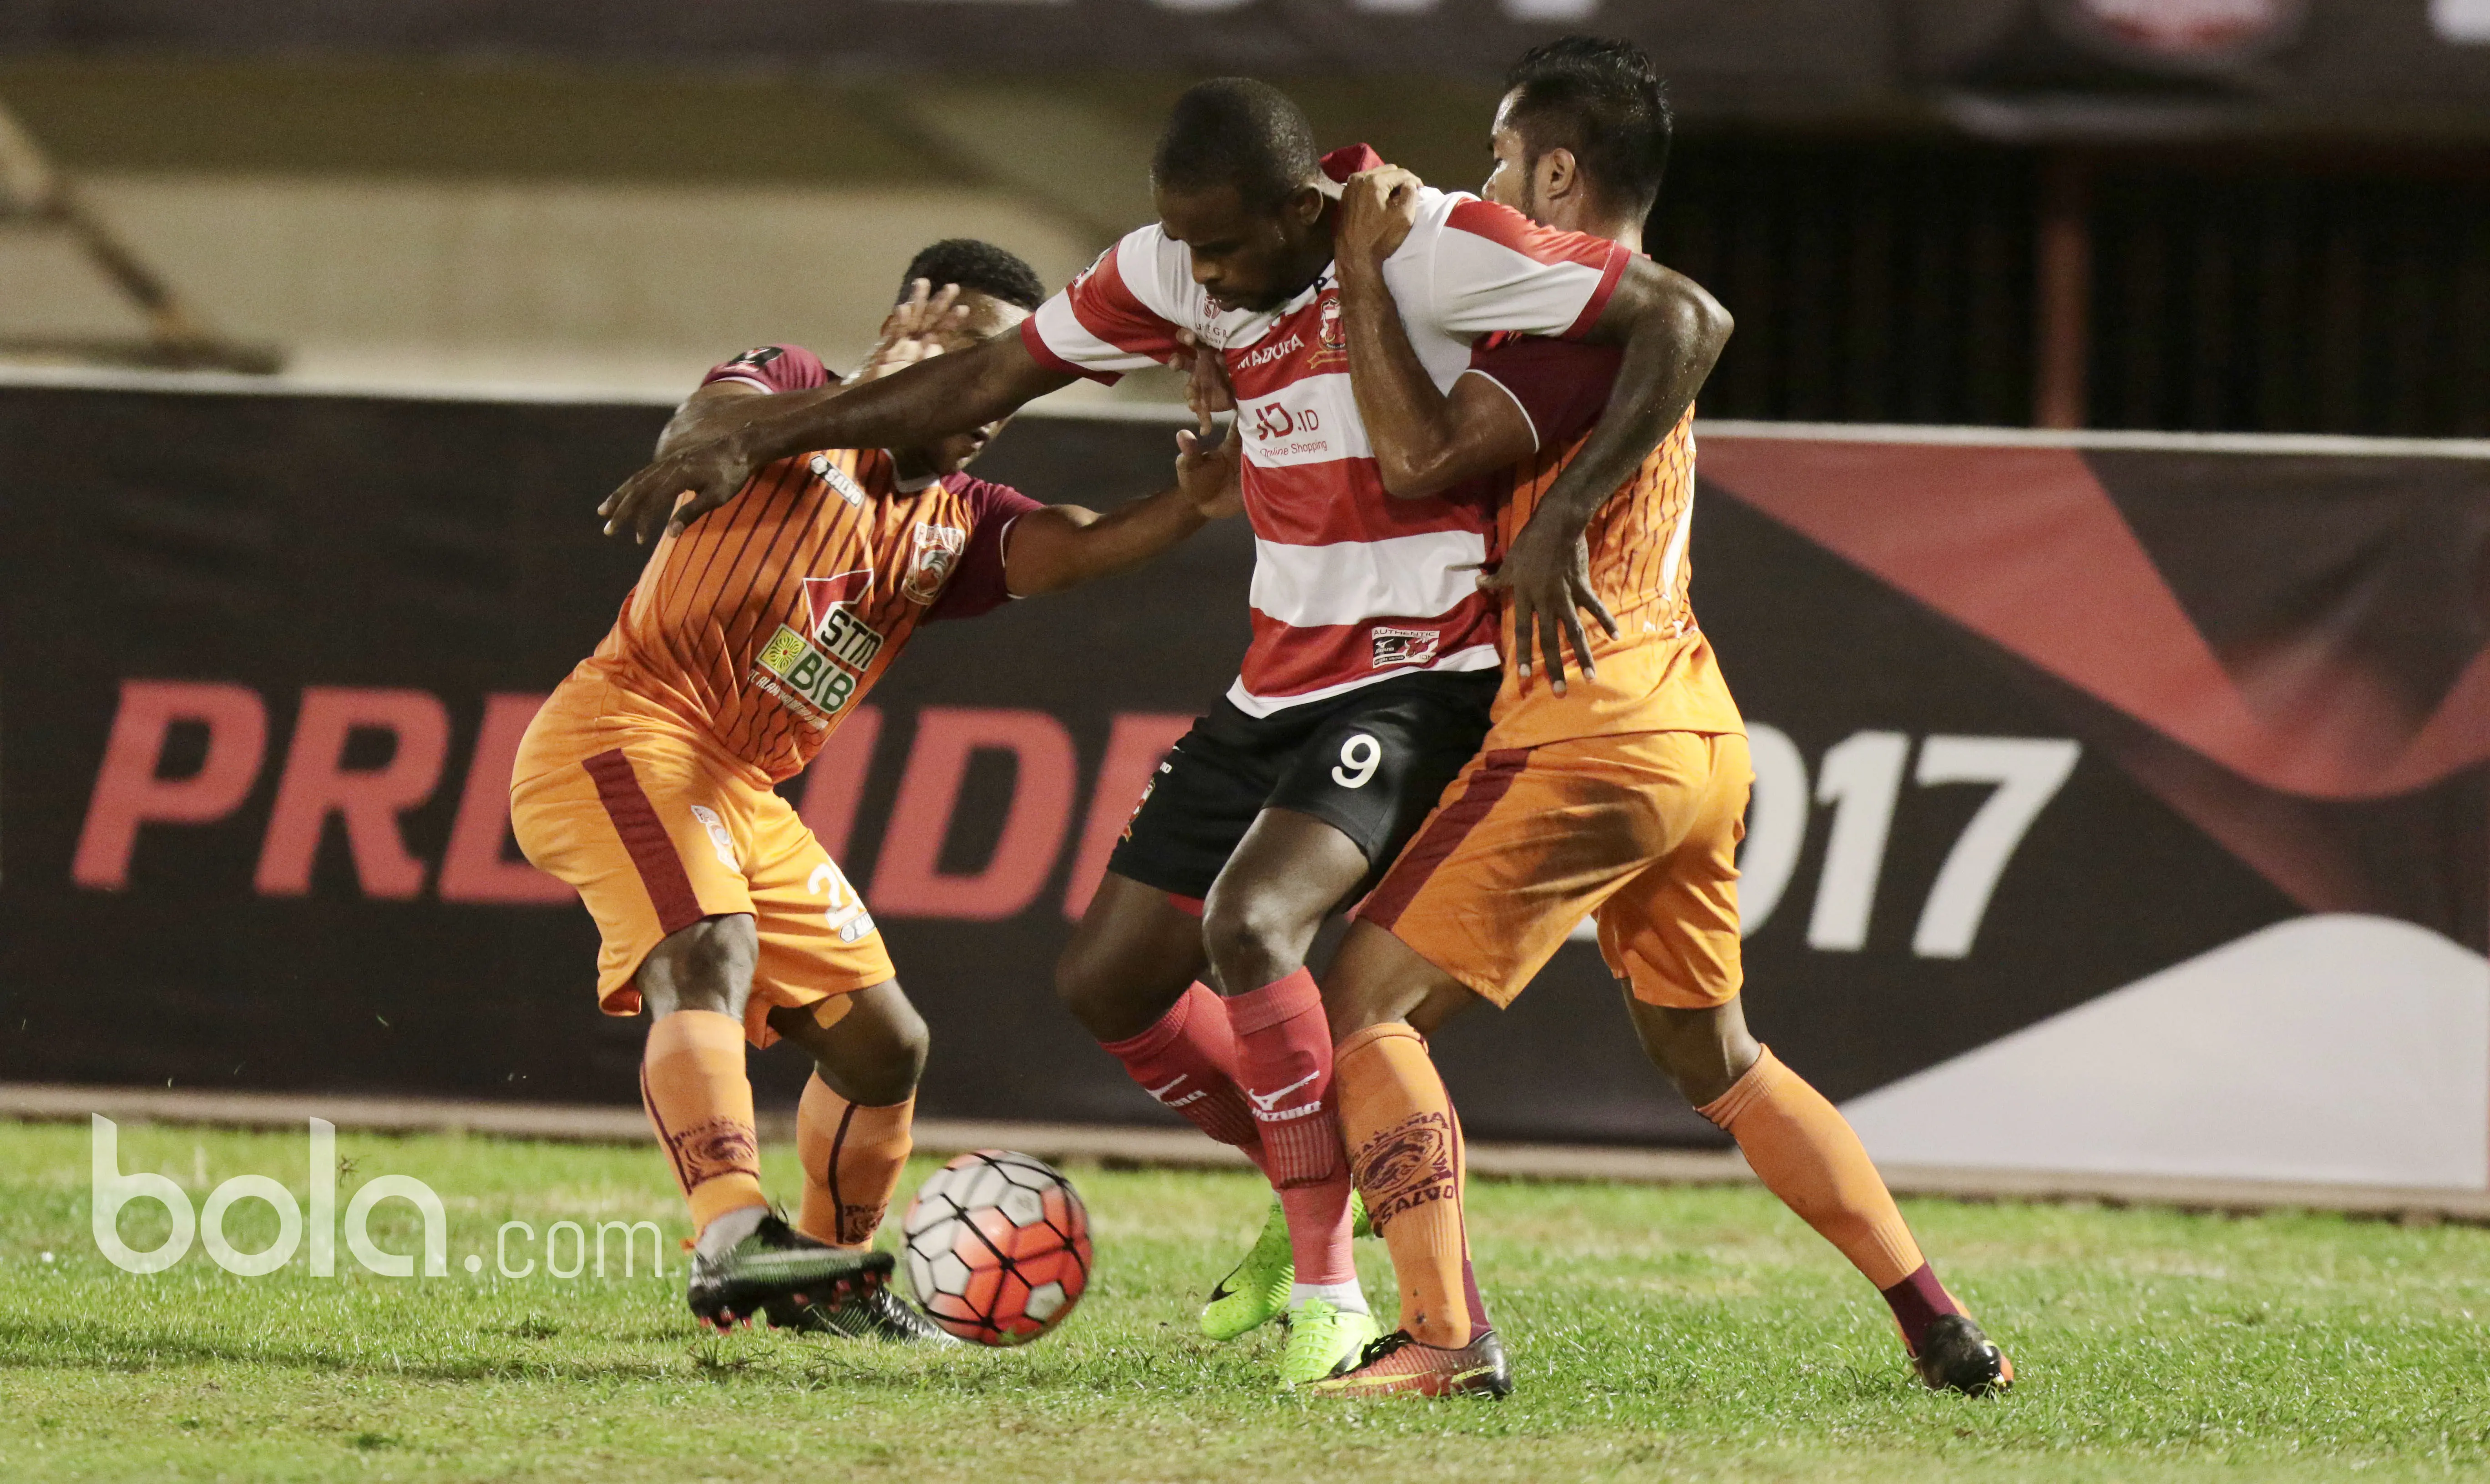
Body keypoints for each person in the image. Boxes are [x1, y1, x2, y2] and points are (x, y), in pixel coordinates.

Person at [594, 80, 1731, 1383]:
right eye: (1183, 245)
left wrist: (1563, 514)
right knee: (1112, 975)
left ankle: (1335, 1289)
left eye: (1229, 248)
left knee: (1254, 925)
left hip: (1428, 670)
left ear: (1305, 207)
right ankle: (1334, 1172)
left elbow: (1688, 318)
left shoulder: (1438, 242)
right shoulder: (1179, 271)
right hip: (1275, 679)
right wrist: (764, 433)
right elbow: (994, 375)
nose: (1203, 276)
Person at [1271, 39, 2012, 1400]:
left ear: (1557, 170)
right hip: (1695, 731)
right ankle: (1938, 1320)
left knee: (1365, 1000)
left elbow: (1416, 457)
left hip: (1589, 729)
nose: (1491, 182)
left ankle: (1444, 1336)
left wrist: (1370, 270)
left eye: (1504, 158)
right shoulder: (1610, 329)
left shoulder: (1574, 327)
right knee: (1715, 1056)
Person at [513, 239, 1241, 1341]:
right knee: (706, 946)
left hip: (742, 789)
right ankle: (728, 1234)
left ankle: (827, 1281)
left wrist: (1192, 505)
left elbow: (1075, 548)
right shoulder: (798, 387)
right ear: (909, 330)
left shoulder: (957, 519)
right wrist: (865, 390)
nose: (988, 398)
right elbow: (700, 435)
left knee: (885, 1044)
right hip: (629, 731)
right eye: (968, 360)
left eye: (1012, 382)